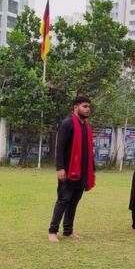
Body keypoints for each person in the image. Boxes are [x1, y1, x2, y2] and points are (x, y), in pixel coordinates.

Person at [48, 96, 96, 243]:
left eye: (88, 106)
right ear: (76, 107)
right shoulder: (67, 123)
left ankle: (68, 231)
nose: (87, 109)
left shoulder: (86, 126)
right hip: (68, 171)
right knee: (63, 199)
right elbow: (60, 147)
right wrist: (60, 168)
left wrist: (91, 169)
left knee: (74, 201)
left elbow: (88, 151)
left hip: (82, 171)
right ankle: (52, 231)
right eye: (84, 106)